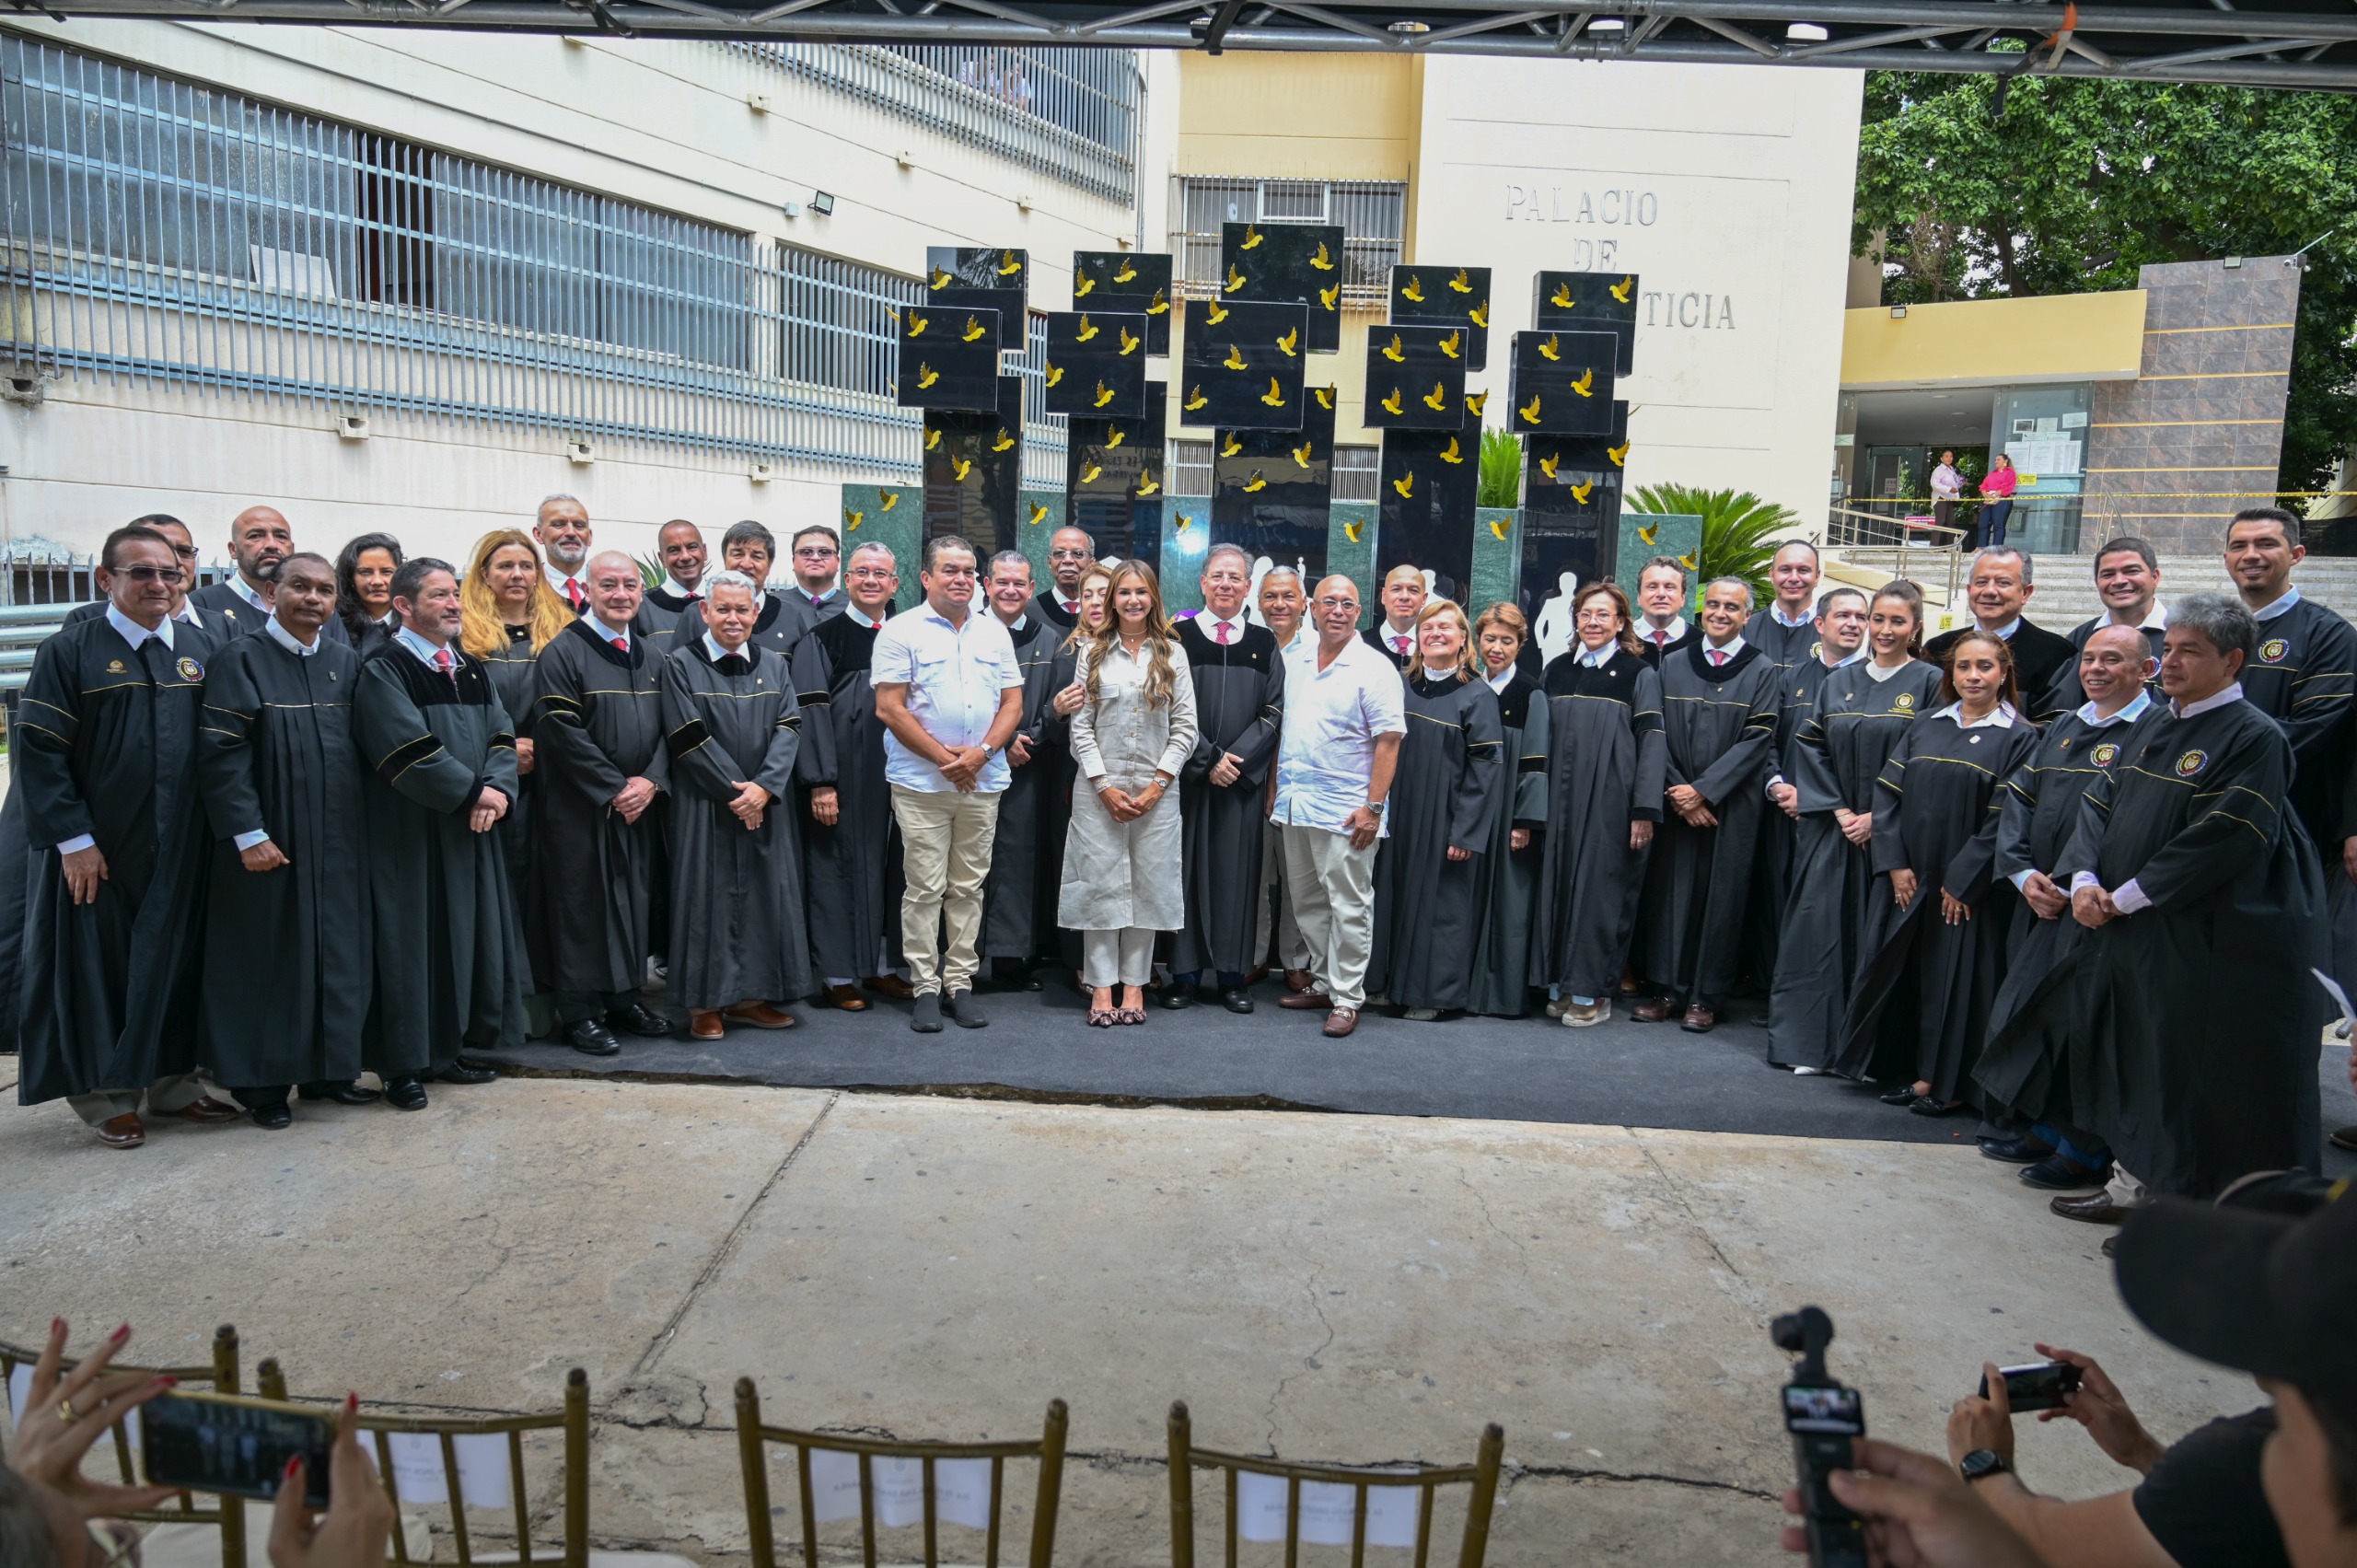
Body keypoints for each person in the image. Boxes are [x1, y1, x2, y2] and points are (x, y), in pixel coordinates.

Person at [2058, 593, 2325, 1200]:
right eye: (2168, 647)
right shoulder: (2156, 720)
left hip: (2201, 939)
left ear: (2232, 660)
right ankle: (2130, 1183)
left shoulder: (2254, 737)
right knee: (2136, 1058)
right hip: (2129, 929)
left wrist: (2122, 897)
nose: (2170, 661)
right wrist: (2083, 880)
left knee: (2186, 1072)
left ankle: (2174, 1207)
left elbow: (2223, 837)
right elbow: (2099, 801)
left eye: (2189, 651)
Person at [11, 524, 238, 1144]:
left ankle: (175, 1084)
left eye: (170, 572)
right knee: (100, 967)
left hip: (187, 841)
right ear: (105, 580)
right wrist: (73, 840)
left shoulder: (206, 643)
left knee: (179, 961)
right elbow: (40, 751)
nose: (159, 584)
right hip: (104, 847)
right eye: (142, 573)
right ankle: (106, 1096)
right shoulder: (72, 650)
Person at [194, 552, 374, 1128]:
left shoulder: (344, 662)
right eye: (300, 587)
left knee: (337, 954)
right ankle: (263, 1086)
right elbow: (222, 754)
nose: (313, 599)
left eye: (324, 590)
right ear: (271, 594)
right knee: (268, 957)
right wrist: (247, 832)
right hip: (271, 838)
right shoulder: (240, 659)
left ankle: (330, 1072)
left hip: (339, 839)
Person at [1974, 624, 2156, 1188]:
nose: (2096, 668)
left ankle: (2087, 1148)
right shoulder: (2065, 727)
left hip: (2100, 909)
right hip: (2043, 902)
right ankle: (2047, 1127)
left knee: (2086, 1029)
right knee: (2037, 1018)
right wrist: (2026, 874)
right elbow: (2018, 804)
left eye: (2113, 660)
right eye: (2090, 658)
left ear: (2146, 670)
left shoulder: (2155, 734)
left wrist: (2083, 883)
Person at [1833, 628, 2040, 1114]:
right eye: (1963, 666)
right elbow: (1887, 796)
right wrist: (1895, 864)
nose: (1972, 676)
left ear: (2004, 673)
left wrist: (1962, 880)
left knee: (1955, 981)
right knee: (1903, 972)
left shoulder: (2021, 737)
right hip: (1907, 879)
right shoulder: (1926, 723)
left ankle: (1942, 1083)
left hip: (1963, 888)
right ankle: (1899, 1066)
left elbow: (2006, 816)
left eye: (1984, 667)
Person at [354, 557, 527, 1109]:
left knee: (460, 939)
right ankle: (401, 1065)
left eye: (454, 594)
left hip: (470, 829)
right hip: (412, 832)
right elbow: (402, 746)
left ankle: (447, 1050)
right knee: (409, 945)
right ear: (403, 606)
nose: (454, 604)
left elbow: (503, 733)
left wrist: (496, 791)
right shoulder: (385, 668)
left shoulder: (470, 667)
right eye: (438, 596)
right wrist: (471, 794)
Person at [2113, 1179, 2357, 1568]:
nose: (2270, 1452)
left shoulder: (2236, 1460)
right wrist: (2140, 1451)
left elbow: (2044, 1542)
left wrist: (1986, 1464)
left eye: (2288, 1436)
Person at [1769, 582, 1945, 1073]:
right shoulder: (1839, 682)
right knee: (1819, 933)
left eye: (1897, 621)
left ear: (1915, 627)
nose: (1884, 630)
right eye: (1877, 620)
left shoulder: (1930, 681)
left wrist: (1879, 815)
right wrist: (1841, 811)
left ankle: (1869, 1056)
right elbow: (1812, 745)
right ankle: (1812, 1047)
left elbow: (1926, 755)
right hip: (1834, 829)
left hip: (1893, 835)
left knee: (1878, 941)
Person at [1944, 1330, 2292, 1568]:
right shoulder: (2331, 1432)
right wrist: (2142, 1451)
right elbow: (2222, 1523)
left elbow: (2044, 1549)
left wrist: (1984, 1464)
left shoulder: (2260, 1454)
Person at [872, 534, 1027, 1033]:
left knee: (967, 886)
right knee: (924, 887)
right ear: (926, 577)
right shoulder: (900, 631)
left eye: (967, 571)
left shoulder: (993, 633)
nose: (959, 579)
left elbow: (1012, 705)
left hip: (983, 781)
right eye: (949, 570)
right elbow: (889, 708)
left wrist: (980, 755)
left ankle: (959, 982)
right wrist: (945, 759)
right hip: (921, 783)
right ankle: (923, 985)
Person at [529, 549, 673, 1057]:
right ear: (587, 591)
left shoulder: (654, 657)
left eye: (630, 585)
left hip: (639, 806)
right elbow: (560, 731)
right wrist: (614, 787)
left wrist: (651, 782)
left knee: (633, 903)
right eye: (608, 585)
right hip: (581, 808)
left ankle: (624, 998)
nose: (621, 595)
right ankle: (581, 1011)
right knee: (582, 906)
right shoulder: (563, 653)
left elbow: (671, 731)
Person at [659, 569, 807, 1039]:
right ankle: (706, 1003)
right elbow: (686, 734)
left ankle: (752, 996)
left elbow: (789, 726)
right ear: (704, 611)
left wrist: (764, 788)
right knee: (707, 900)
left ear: (756, 613)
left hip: (765, 803)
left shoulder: (773, 664)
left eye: (742, 609)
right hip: (706, 805)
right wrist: (737, 791)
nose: (732, 617)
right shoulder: (681, 664)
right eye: (722, 608)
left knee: (766, 898)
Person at [1632, 576, 1780, 1032]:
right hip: (1678, 804)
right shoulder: (1672, 665)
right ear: (1701, 611)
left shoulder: (1763, 670)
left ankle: (1704, 997)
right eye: (1712, 605)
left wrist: (1706, 790)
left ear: (1746, 617)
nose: (1720, 613)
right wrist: (1681, 791)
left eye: (1731, 607)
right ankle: (1666, 991)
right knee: (1670, 894)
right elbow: (1656, 733)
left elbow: (1759, 738)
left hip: (1731, 806)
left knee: (1722, 898)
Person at [1061, 561, 1198, 1026]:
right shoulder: (1092, 651)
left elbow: (1185, 729)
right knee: (1099, 885)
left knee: (1147, 886)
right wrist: (1102, 785)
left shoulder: (1172, 654)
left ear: (1153, 598)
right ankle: (1101, 989)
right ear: (1111, 599)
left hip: (1157, 792)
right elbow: (1081, 729)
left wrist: (1160, 784)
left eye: (1142, 592)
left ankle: (1135, 987)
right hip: (1099, 790)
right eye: (1124, 593)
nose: (1133, 600)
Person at [1271, 575, 1407, 1039]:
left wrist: (1373, 806)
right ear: (1312, 606)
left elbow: (1389, 741)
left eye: (1348, 604)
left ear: (1359, 611)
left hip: (1349, 811)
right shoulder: (1297, 660)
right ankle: (1325, 982)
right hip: (1296, 803)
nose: (1338, 611)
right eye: (1329, 602)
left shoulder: (1374, 667)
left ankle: (1348, 998)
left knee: (1349, 904)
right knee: (1308, 901)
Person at [1534, 581, 1664, 1028]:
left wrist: (1644, 810)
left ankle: (1592, 992)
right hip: (1559, 801)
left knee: (1600, 894)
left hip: (1611, 801)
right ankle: (1560, 984)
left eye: (1603, 614)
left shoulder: (1637, 673)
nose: (1593, 622)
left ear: (1622, 622)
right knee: (1558, 887)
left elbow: (1652, 743)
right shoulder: (1557, 671)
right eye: (1585, 614)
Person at [1368, 599, 1504, 1021]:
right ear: (1417, 638)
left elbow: (1485, 771)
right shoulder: (1399, 684)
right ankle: (1386, 985)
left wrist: (1466, 832)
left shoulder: (1477, 694)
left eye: (1447, 627)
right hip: (1397, 809)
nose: (1436, 634)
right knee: (1391, 895)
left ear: (1464, 639)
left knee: (1439, 906)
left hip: (1445, 817)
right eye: (1428, 628)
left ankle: (1435, 996)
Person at [459, 528, 572, 1033]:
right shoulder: (464, 636)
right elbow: (458, 715)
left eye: (526, 566)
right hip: (493, 788)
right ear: (484, 573)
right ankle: (495, 1012)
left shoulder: (564, 630)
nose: (518, 575)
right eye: (505, 566)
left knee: (550, 897)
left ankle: (546, 1009)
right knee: (498, 894)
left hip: (554, 785)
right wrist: (505, 752)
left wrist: (543, 749)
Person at [1169, 545, 1286, 1012]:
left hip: (1239, 785)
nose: (1226, 585)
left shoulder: (1264, 642)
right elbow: (1168, 708)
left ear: (1247, 588)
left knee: (1238, 880)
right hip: (1189, 780)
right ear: (1202, 583)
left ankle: (1234, 977)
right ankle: (1184, 974)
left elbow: (1274, 711)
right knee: (1184, 876)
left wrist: (1233, 762)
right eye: (1218, 576)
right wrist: (1206, 759)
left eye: (1235, 578)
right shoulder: (1177, 637)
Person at [792, 541, 905, 1012]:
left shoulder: (911, 633)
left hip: (903, 772)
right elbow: (811, 711)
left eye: (881, 573)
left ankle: (885, 968)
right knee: (840, 866)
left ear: (895, 583)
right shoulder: (825, 637)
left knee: (896, 869)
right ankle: (838, 974)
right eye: (862, 572)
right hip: (848, 773)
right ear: (849, 579)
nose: (872, 581)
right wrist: (821, 780)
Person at [1752, 555, 1850, 1007]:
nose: (1850, 625)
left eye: (1858, 618)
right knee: (1773, 899)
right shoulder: (1791, 677)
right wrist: (1777, 786)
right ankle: (1775, 995)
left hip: (1841, 820)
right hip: (1778, 806)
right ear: (1821, 626)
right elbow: (1766, 734)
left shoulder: (1878, 684)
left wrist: (1815, 798)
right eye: (1842, 617)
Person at [976, 552, 1062, 987]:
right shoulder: (965, 634)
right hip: (974, 764)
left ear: (1032, 589)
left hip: (1031, 766)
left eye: (1020, 583)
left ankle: (1011, 958)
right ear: (986, 585)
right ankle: (964, 961)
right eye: (1002, 582)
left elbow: (1059, 700)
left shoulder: (1049, 639)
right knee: (971, 862)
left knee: (1018, 860)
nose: (1011, 590)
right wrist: (1003, 740)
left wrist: (1030, 737)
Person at [1466, 603, 1548, 1018]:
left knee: (1508, 902)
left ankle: (1500, 996)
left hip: (1509, 814)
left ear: (1521, 644)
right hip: (1470, 811)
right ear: (1477, 641)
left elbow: (1535, 761)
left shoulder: (1530, 692)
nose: (1496, 648)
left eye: (1507, 640)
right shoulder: (1466, 685)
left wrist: (1524, 820)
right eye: (1490, 638)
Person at [1923, 548, 2077, 716]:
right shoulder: (1938, 648)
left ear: (2026, 593)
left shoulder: (2057, 654)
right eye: (1981, 582)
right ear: (1969, 590)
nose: (1989, 591)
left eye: (2003, 583)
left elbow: (2054, 727)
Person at [1255, 565, 1315, 992]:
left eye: (1288, 597)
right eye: (1271, 596)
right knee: (1254, 874)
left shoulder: (1318, 650)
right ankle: (1255, 956)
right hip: (1249, 775)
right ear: (1258, 602)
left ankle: (1296, 960)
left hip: (1299, 780)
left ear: (1304, 603)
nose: (1280, 604)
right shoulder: (1248, 645)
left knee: (1299, 877)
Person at [189, 505, 353, 645]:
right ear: (233, 549)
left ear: (292, 548)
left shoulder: (318, 607)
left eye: (281, 537)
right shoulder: (203, 603)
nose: (271, 545)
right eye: (256, 536)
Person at [2044, 537, 2166, 714]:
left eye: (2131, 571)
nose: (2119, 581)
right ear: (2097, 582)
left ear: (2155, 578)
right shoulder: (2079, 639)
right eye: (2108, 574)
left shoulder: (2184, 636)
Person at [675, 520, 806, 664]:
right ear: (725, 560)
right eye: (737, 554)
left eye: (757, 556)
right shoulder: (695, 615)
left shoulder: (790, 616)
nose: (746, 564)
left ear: (769, 565)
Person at [640, 519, 710, 654]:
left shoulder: (727, 604)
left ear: (705, 551)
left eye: (692, 547)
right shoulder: (642, 607)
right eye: (674, 550)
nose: (685, 556)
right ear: (662, 559)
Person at [333, 531, 403, 650]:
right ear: (351, 578)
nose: (377, 581)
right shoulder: (334, 623)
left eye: (386, 572)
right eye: (366, 572)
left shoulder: (414, 624)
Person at [1360, 563, 1428, 670]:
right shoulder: (1361, 645)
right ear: (1384, 595)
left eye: (1413, 590)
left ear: (1424, 599)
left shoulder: (1433, 647)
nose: (1404, 596)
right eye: (1396, 589)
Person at [536, 493, 595, 613]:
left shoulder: (611, 587)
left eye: (579, 526)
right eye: (558, 525)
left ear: (589, 537)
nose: (571, 533)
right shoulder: (529, 588)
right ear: (538, 534)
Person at [1631, 556, 1697, 666]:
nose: (1661, 594)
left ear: (1682, 598)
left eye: (1669, 587)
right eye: (1652, 587)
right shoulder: (1621, 640)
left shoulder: (1699, 642)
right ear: (1639, 597)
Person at [1032, 526, 1096, 633]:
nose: (1067, 560)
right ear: (1049, 562)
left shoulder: (1105, 612)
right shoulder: (1030, 612)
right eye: (1059, 553)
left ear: (1092, 563)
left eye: (1078, 554)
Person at [784, 524, 847, 626]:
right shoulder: (773, 607)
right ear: (793, 561)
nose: (815, 558)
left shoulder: (854, 610)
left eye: (825, 552)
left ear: (838, 562)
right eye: (806, 552)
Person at [1977, 454, 2019, 548]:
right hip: (1988, 500)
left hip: (2001, 499)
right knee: (1983, 523)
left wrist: (1995, 494)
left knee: (1998, 525)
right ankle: (1981, 547)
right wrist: (1985, 494)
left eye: (1998, 460)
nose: (1996, 461)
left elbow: (2008, 487)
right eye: (1995, 460)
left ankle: (1996, 548)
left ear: (2005, 461)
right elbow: (1983, 486)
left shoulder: (2010, 472)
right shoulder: (1993, 473)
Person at [1929, 449, 1964, 539]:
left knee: (1951, 522)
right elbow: (1934, 484)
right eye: (1947, 456)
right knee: (1940, 521)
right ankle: (1934, 546)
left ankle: (1949, 547)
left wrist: (1960, 484)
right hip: (1940, 498)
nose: (1949, 458)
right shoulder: (1938, 470)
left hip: (1950, 499)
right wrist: (1948, 489)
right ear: (1941, 458)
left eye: (1951, 456)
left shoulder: (1952, 469)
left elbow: (1954, 485)